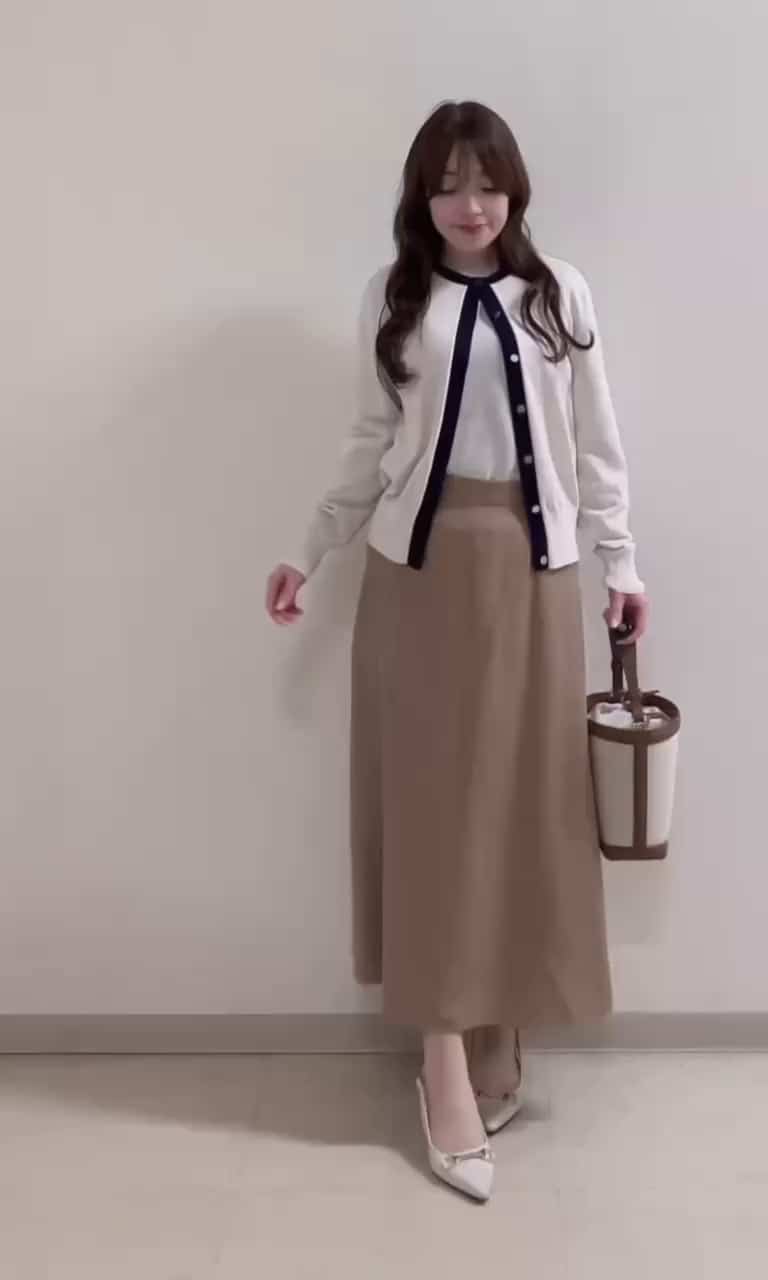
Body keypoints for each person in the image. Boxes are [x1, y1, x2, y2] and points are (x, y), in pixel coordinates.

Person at [264, 100, 648, 1202]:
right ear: (420, 197)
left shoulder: (559, 293)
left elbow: (596, 442)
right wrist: (309, 550)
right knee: (433, 808)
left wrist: (621, 564)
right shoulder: (395, 298)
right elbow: (368, 442)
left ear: (515, 188)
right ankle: (441, 1060)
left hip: (537, 571)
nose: (469, 205)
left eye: (486, 183)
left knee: (527, 801)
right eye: (446, 186)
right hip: (420, 577)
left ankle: (500, 1022)